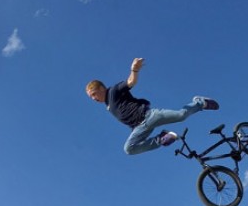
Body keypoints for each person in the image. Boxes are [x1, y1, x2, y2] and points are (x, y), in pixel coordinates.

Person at [86, 57, 219, 155]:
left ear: (101, 88)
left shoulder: (113, 91)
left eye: (94, 94)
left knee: (181, 115)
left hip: (149, 116)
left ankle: (200, 102)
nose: (93, 98)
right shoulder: (108, 105)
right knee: (129, 149)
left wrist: (134, 69)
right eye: (91, 97)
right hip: (139, 128)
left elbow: (130, 82)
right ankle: (162, 138)